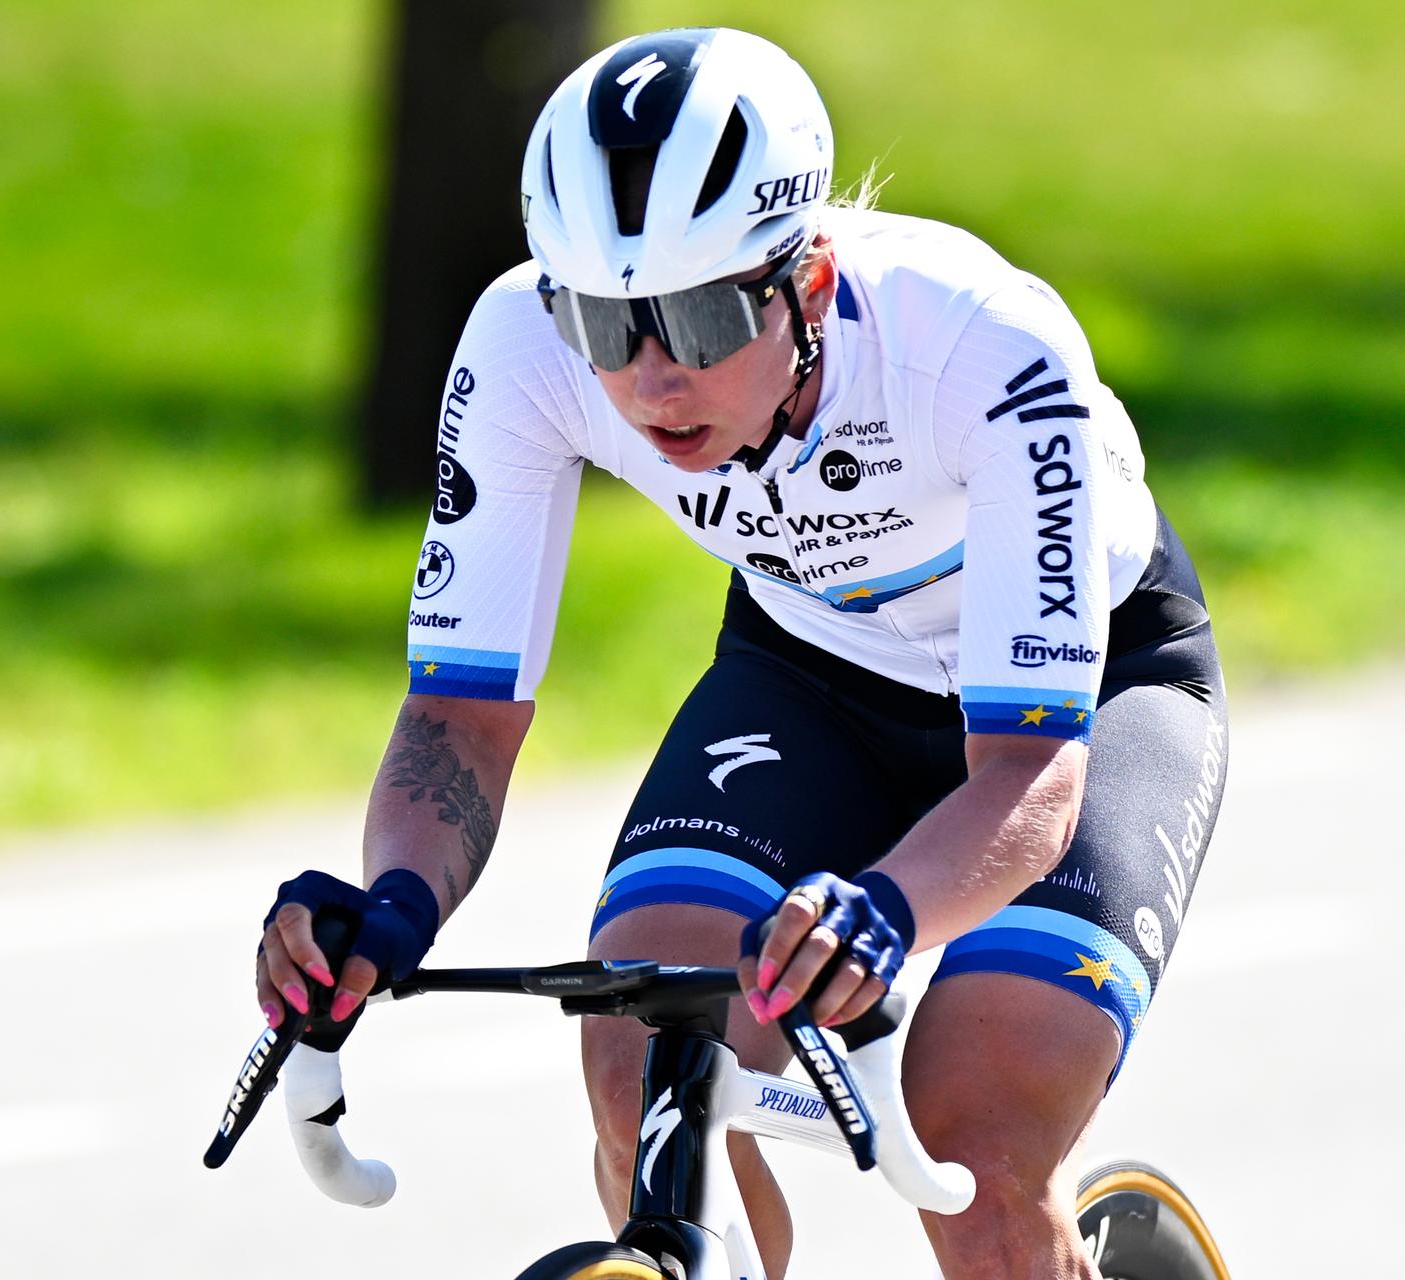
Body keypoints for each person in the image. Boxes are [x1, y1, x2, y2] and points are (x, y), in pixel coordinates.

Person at [259, 26, 1228, 1280]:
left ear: (809, 279)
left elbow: (1028, 778)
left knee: (975, 1147)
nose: (654, 375)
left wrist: (886, 905)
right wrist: (394, 902)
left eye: (703, 314)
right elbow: (459, 717)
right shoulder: (520, 349)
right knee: (646, 1057)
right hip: (816, 667)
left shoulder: (985, 350)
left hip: (1085, 696)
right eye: (607, 324)